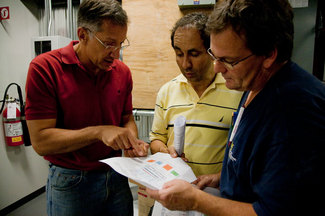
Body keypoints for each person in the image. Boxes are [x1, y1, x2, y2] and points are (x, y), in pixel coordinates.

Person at [146, 0, 325, 215]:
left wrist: (196, 201)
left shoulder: (292, 114)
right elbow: (259, 164)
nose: (217, 68)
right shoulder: (252, 83)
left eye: (228, 60)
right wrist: (225, 178)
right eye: (214, 55)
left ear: (269, 54)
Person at [25, 0, 148, 215]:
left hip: (116, 174)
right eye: (109, 44)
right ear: (82, 35)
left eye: (121, 43)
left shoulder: (122, 72)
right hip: (71, 181)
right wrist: (98, 132)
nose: (116, 52)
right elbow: (41, 142)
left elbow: (126, 118)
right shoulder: (45, 68)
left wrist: (130, 142)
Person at [150, 12, 242, 176]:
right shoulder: (167, 92)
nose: (185, 64)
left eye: (194, 54)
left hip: (215, 193)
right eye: (179, 54)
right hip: (175, 186)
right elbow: (156, 140)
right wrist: (165, 152)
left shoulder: (236, 90)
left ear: (211, 51)